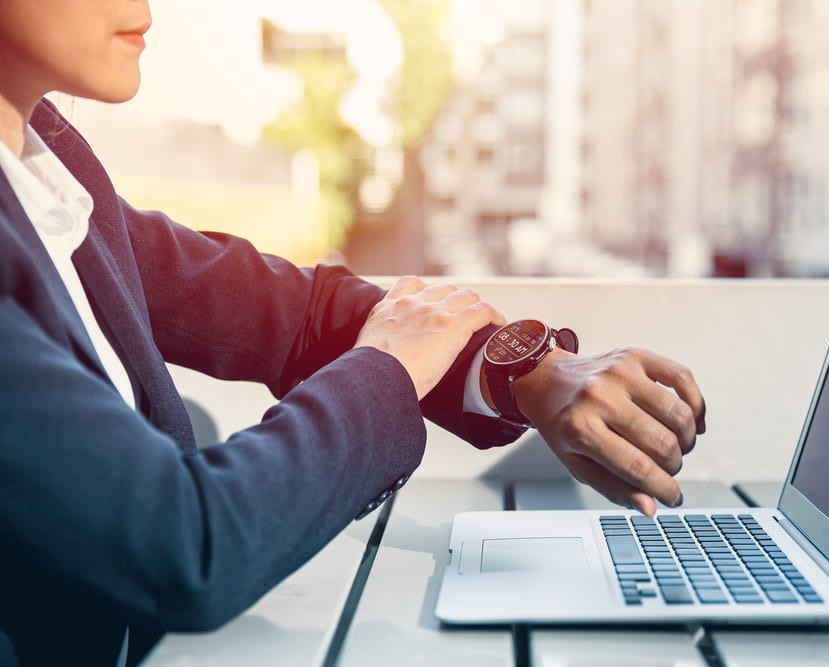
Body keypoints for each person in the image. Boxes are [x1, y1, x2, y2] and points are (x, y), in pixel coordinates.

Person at [0, 1, 706, 665]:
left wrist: (527, 372)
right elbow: (182, 545)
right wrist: (387, 367)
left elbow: (291, 313)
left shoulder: (50, 169)